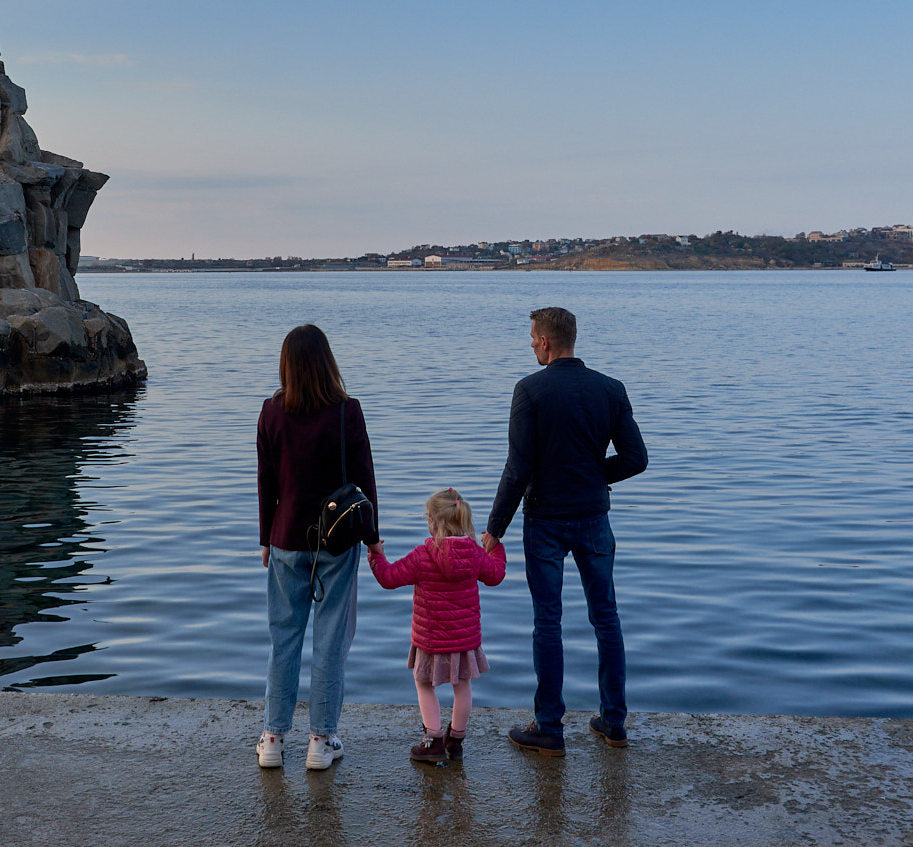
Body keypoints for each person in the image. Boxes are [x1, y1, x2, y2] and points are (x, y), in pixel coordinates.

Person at [483, 306, 648, 756]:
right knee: (606, 618)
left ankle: (550, 728)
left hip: (546, 522)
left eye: (533, 338)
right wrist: (592, 476)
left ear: (547, 342)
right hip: (594, 517)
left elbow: (518, 469)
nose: (531, 344)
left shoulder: (530, 390)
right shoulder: (610, 390)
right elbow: (636, 459)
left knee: (548, 622)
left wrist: (494, 528)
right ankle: (614, 723)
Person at [256, 323, 381, 771]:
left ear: (286, 364)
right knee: (331, 642)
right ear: (327, 362)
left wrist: (264, 537)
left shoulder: (271, 412)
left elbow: (266, 482)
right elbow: (364, 481)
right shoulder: (348, 411)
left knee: (283, 638)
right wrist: (373, 538)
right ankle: (321, 741)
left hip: (286, 538)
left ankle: (272, 738)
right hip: (337, 540)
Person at [368, 487, 507, 765]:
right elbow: (496, 575)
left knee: (423, 683)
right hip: (465, 639)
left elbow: (388, 577)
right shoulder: (475, 554)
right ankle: (455, 741)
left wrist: (376, 555)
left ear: (434, 523)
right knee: (463, 685)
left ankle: (432, 739)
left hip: (429, 639)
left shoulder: (423, 555)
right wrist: (497, 548)